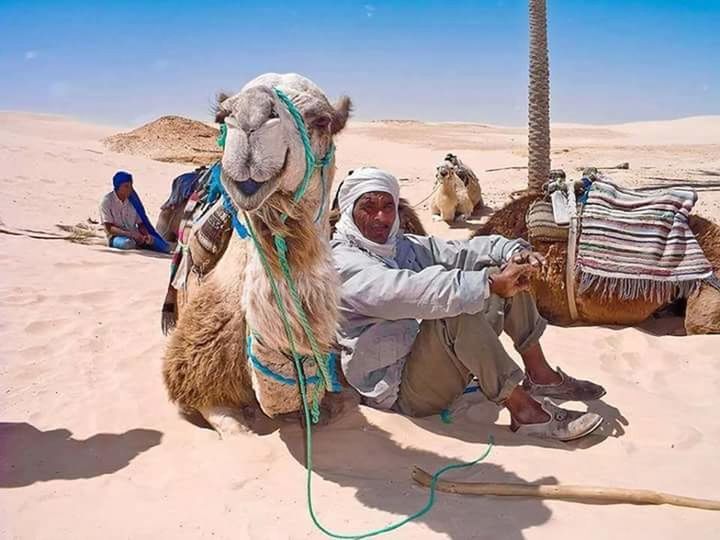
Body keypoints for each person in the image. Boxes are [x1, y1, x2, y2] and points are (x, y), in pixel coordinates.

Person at [331, 167, 606, 441]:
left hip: (422, 359)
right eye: (368, 207)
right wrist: (488, 284)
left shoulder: (400, 246)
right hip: (398, 390)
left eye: (387, 206)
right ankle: (525, 413)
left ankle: (541, 375)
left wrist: (514, 253)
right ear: (349, 211)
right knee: (456, 308)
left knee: (506, 271)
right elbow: (405, 292)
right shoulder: (343, 262)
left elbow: (462, 251)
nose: (381, 217)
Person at [99, 171, 170, 252]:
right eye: (126, 186)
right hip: (117, 236)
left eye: (131, 186)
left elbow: (140, 223)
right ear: (118, 187)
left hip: (137, 236)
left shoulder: (133, 201)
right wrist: (130, 234)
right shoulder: (107, 201)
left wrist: (145, 234)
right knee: (128, 244)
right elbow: (109, 228)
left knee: (164, 248)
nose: (130, 189)